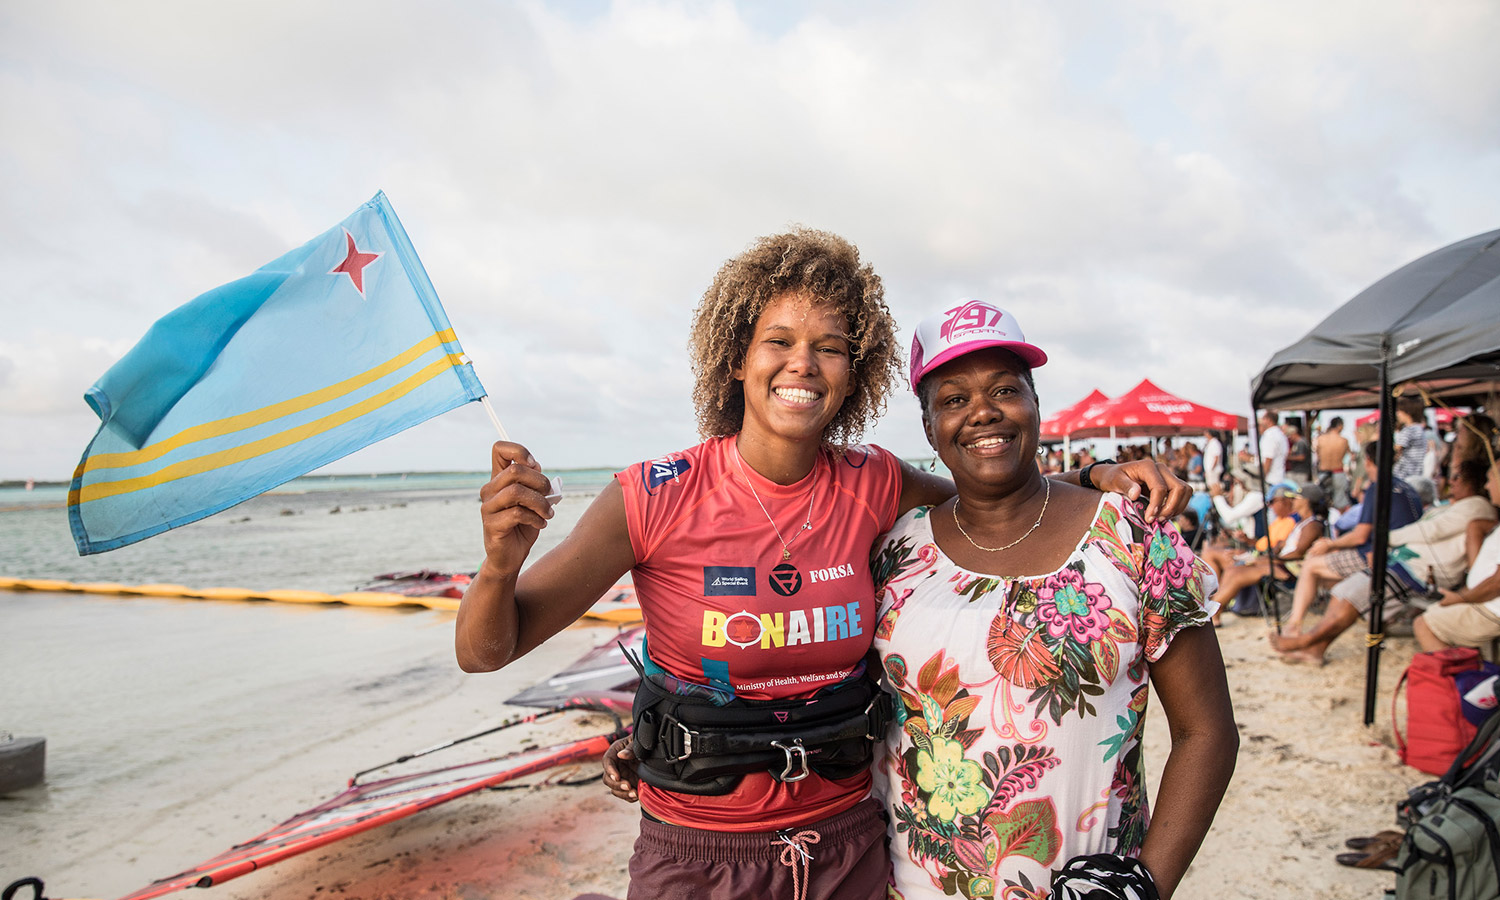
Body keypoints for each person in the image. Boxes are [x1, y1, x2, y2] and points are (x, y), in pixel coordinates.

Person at [457, 231, 1189, 900]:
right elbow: (487, 651)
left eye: (829, 346)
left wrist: (1096, 477)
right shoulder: (652, 497)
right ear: (737, 356)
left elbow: (993, 492)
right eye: (778, 340)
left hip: (851, 848)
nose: (802, 363)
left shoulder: (875, 482)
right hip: (699, 854)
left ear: (854, 371)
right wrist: (498, 564)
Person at [868, 306, 1236, 899]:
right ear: (929, 426)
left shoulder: (1132, 537)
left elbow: (1207, 732)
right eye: (954, 399)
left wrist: (1145, 888)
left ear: (1036, 404)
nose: (983, 412)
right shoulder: (895, 549)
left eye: (1005, 390)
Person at [1276, 458, 1499, 664]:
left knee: (1351, 595)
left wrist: (1386, 539)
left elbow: (1430, 530)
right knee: (1345, 592)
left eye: (1457, 477)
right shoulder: (1460, 506)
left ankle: (1305, 640)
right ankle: (1314, 648)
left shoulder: (1477, 505)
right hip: (1409, 566)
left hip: (1417, 572)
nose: (1451, 481)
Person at [1272, 442, 1425, 637]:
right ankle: (1366, 622)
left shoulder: (1377, 488)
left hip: (1384, 558)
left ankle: (1294, 626)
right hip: (1405, 556)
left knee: (1311, 567)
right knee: (1324, 576)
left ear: (1367, 460)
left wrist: (1331, 544)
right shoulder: (1407, 488)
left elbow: (1361, 535)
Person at [1207, 484, 1328, 625]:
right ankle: (1215, 609)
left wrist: (1270, 559)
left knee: (1238, 573)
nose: (1293, 501)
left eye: (1296, 498)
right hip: (1283, 563)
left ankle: (1213, 613)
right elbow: (1286, 546)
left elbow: (1298, 553)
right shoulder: (1303, 523)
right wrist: (1272, 552)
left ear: (1306, 501)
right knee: (1234, 569)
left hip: (1292, 569)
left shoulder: (1312, 525)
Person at [1415, 451, 1500, 651]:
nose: (1487, 487)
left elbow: (1497, 583)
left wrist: (1461, 597)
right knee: (1431, 614)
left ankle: (1465, 679)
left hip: (1490, 609)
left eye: (1490, 480)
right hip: (1483, 602)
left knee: (1425, 624)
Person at [1315, 417, 1352, 510]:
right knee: (1341, 503)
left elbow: (1318, 456)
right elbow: (1351, 456)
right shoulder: (1343, 440)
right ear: (1339, 426)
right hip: (1338, 471)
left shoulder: (1320, 439)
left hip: (1323, 472)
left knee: (1323, 501)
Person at [1392, 394, 1429, 481]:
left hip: (1404, 474)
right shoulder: (1419, 428)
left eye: (1399, 411)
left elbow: (1396, 449)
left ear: (1407, 412)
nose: (1397, 414)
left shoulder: (1409, 430)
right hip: (1416, 473)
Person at [1259, 412, 1289, 485]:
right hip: (1279, 477)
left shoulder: (1270, 435)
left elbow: (1268, 459)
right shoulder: (1279, 434)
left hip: (1271, 479)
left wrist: (1262, 479)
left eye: (1263, 419)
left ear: (1268, 420)